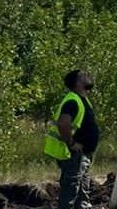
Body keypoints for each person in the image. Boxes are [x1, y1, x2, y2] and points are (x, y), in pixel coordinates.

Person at [43, 70, 100, 209]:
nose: (88, 76)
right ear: (77, 82)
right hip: (73, 154)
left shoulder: (83, 99)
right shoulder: (72, 100)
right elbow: (63, 123)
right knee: (71, 187)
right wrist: (72, 143)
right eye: (84, 75)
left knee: (82, 187)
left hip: (83, 154)